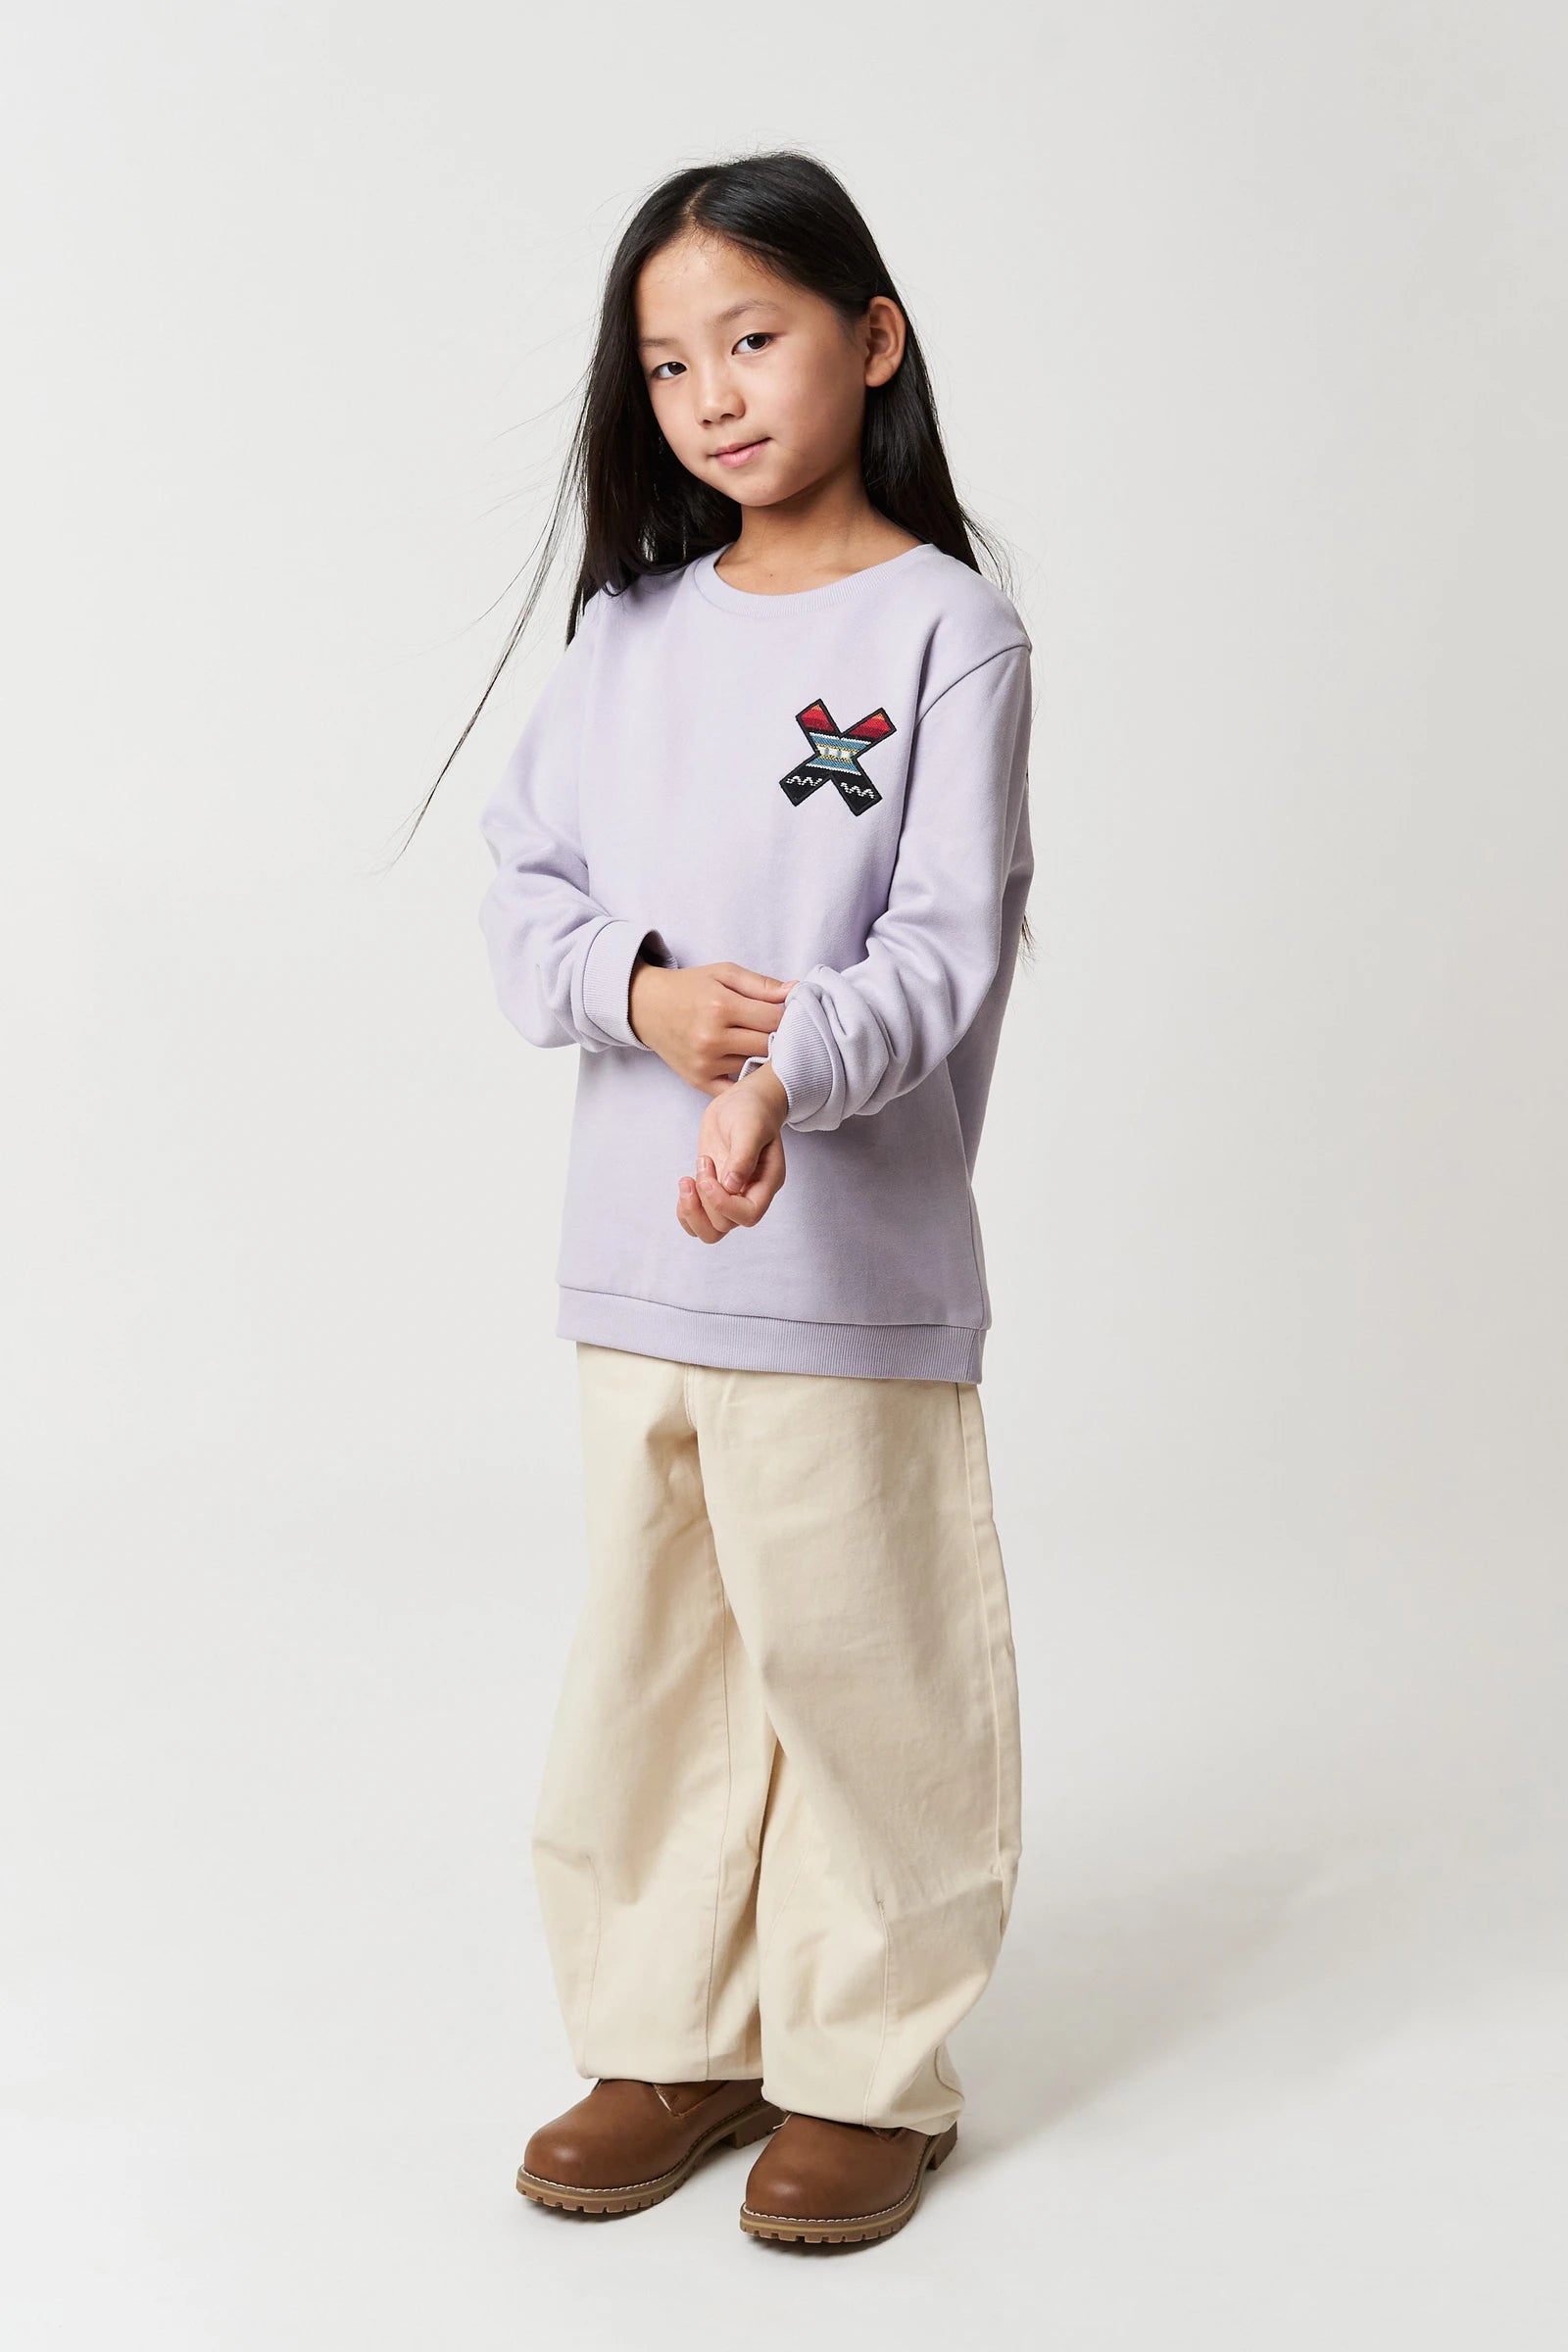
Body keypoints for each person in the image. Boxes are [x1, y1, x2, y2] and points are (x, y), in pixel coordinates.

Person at [467, 150, 1036, 2249]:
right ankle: (668, 2034)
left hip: (843, 1273)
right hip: (638, 1266)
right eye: (666, 361)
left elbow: (942, 947)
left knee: (864, 1663)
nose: (710, 392)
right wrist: (641, 995)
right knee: (655, 1667)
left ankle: (866, 2068)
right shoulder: (625, 636)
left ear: (870, 341)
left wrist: (783, 1072)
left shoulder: (944, 633)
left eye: (753, 337)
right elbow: (522, 898)